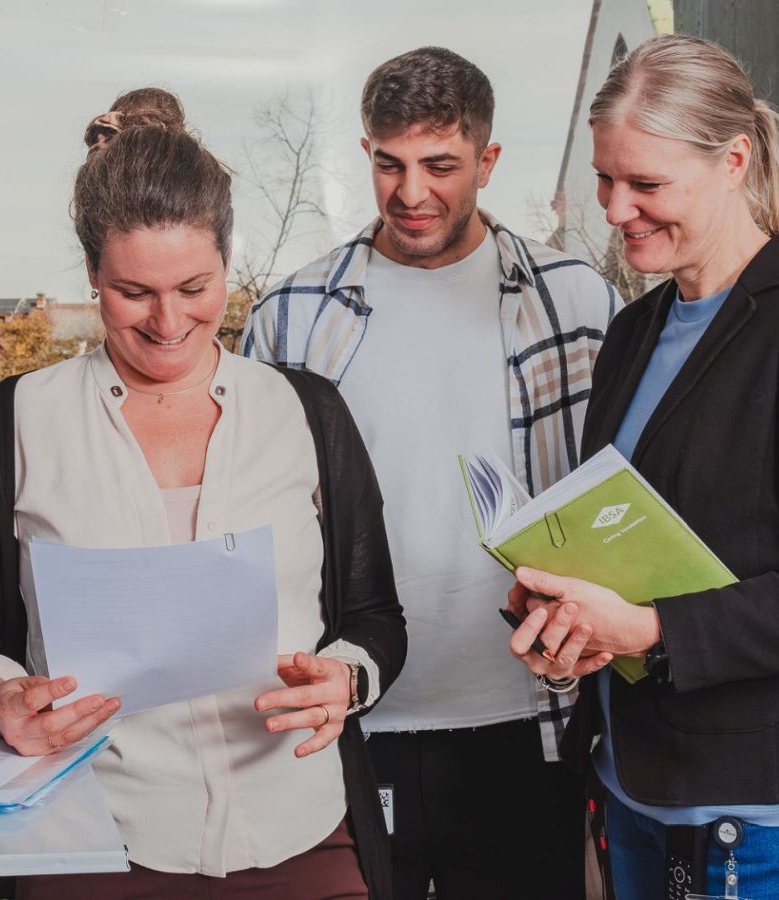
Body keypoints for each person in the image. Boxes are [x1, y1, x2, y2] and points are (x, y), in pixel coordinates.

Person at [0, 87, 406, 900]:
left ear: (228, 264)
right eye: (134, 292)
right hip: (91, 838)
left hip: (304, 828)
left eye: (196, 287)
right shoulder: (16, 421)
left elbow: (376, 619)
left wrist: (343, 678)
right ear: (92, 272)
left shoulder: (306, 413)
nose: (169, 322)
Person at [504, 34, 779, 900]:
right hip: (641, 785)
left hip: (771, 820)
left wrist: (651, 632)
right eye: (606, 179)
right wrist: (571, 614)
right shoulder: (634, 330)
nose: (616, 210)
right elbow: (630, 534)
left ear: (734, 161)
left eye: (646, 184)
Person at [243, 47, 620, 900]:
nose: (411, 193)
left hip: (529, 719)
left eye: (440, 166)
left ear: (487, 162)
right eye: (390, 164)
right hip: (349, 716)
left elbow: (617, 496)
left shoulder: (576, 303)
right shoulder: (294, 316)